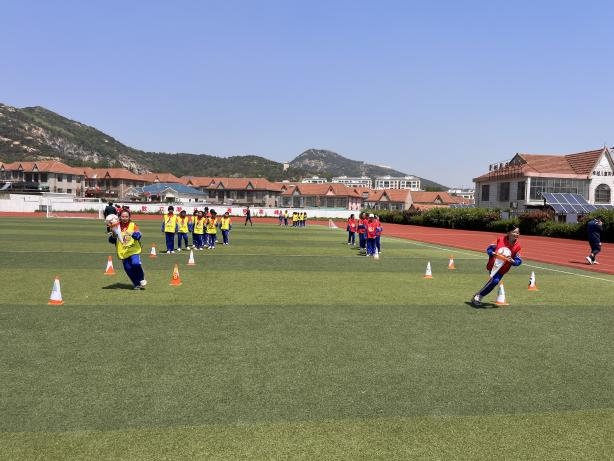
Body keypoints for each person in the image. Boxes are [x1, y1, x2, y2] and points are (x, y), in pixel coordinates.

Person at [471, 225, 522, 307]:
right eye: (514, 232)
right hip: (493, 265)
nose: (516, 234)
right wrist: (492, 253)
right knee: (494, 281)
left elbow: (518, 260)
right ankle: (477, 297)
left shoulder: (517, 246)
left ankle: (478, 296)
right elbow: (489, 249)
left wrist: (513, 261)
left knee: (493, 282)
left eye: (518, 232)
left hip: (503, 270)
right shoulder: (500, 240)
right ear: (508, 232)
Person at [108, 209, 146, 290]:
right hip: (123, 252)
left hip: (133, 250)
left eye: (126, 216)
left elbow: (139, 235)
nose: (124, 218)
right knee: (128, 269)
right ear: (120, 217)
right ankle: (136, 284)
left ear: (129, 217)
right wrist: (114, 235)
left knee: (135, 264)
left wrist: (134, 234)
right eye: (123, 216)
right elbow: (111, 240)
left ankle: (142, 278)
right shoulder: (115, 226)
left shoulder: (133, 225)